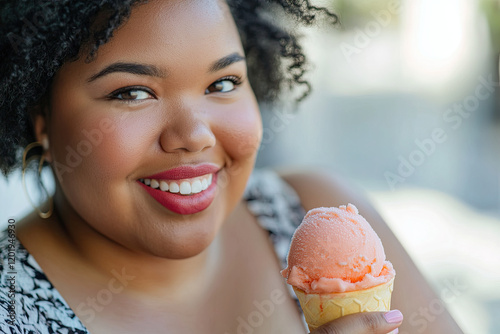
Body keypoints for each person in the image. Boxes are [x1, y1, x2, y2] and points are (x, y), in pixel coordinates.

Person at [0, 1, 464, 333]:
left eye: (222, 82)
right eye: (132, 92)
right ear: (41, 117)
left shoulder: (307, 209)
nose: (195, 134)